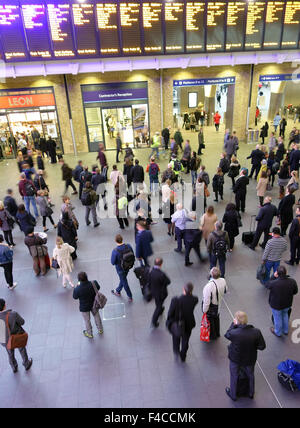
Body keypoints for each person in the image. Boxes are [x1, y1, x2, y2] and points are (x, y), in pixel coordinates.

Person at [224, 311, 266, 401]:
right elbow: (262, 346)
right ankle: (251, 393)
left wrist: (233, 324)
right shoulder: (256, 332)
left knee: (234, 375)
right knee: (250, 375)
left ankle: (233, 394)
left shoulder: (234, 333)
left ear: (237, 321)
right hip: (250, 358)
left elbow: (227, 334)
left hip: (236, 358)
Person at [166, 282, 198, 362]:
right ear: (192, 290)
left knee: (176, 338)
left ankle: (176, 350)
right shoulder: (195, 299)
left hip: (177, 323)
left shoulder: (175, 300)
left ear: (183, 289)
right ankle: (183, 355)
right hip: (188, 323)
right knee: (185, 340)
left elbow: (170, 313)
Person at [0, 298, 33, 373]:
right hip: (17, 337)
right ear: (4, 306)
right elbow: (22, 322)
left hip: (5, 340)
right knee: (22, 350)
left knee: (10, 353)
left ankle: (14, 367)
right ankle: (26, 363)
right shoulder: (13, 314)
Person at [265, 266, 298, 337]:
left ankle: (278, 332)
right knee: (285, 315)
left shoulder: (274, 283)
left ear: (277, 273)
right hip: (288, 303)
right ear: (286, 272)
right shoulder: (292, 281)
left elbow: (267, 285)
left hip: (276, 305)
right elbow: (295, 292)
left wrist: (273, 276)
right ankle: (285, 330)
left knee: (277, 318)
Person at [73, 271, 103, 338]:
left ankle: (89, 333)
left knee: (87, 320)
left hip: (84, 307)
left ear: (79, 280)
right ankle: (100, 329)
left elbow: (75, 297)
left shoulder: (77, 289)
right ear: (87, 277)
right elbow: (98, 287)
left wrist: (77, 286)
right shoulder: (93, 283)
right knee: (97, 316)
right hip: (94, 304)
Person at [202, 267, 228, 340]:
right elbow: (226, 289)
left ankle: (212, 336)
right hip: (218, 304)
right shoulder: (223, 280)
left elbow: (206, 301)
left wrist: (204, 310)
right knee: (216, 318)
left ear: (211, 274)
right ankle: (217, 333)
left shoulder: (209, 286)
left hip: (212, 306)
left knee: (210, 320)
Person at [111, 234, 134, 301]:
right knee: (123, 279)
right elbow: (132, 254)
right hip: (128, 266)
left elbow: (112, 262)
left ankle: (130, 296)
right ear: (122, 239)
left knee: (124, 281)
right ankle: (118, 290)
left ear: (115, 241)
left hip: (120, 268)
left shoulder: (115, 251)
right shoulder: (128, 246)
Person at [149, 257, 171, 328]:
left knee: (158, 302)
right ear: (161, 264)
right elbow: (168, 282)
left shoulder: (151, 271)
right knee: (158, 306)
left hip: (154, 292)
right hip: (161, 293)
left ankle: (161, 309)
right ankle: (154, 321)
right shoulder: (161, 274)